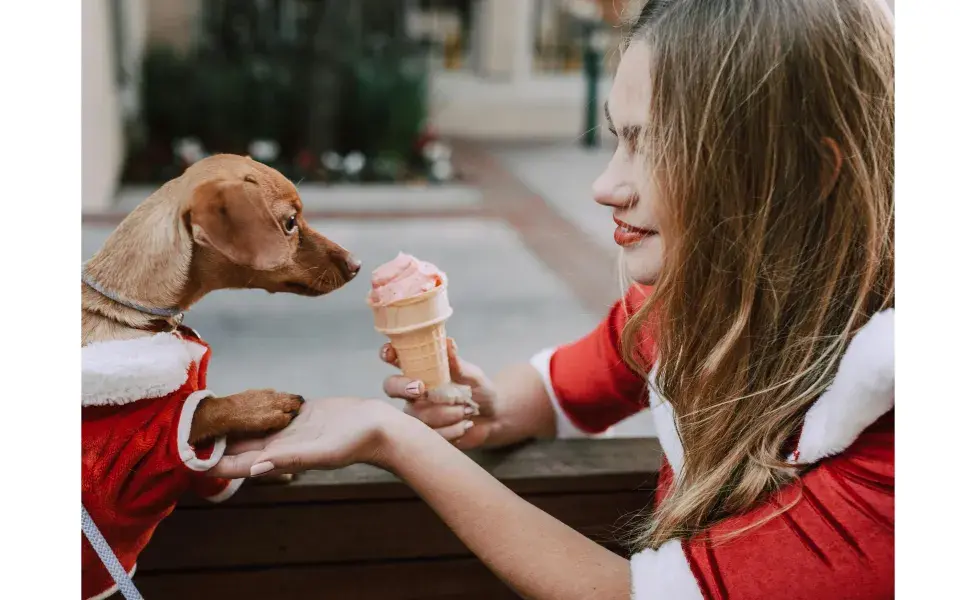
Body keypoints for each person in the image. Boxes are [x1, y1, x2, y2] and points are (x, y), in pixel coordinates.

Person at [212, 0, 895, 597]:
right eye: (618, 136)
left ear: (809, 173)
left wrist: (395, 439)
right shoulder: (683, 310)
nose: (605, 185)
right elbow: (559, 386)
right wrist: (483, 408)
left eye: (654, 146)